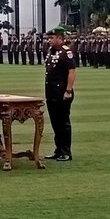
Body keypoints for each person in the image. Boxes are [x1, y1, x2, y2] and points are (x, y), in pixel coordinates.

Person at [44, 26, 76, 162]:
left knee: (63, 123)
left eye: (51, 38)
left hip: (62, 92)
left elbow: (72, 72)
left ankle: (66, 152)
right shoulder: (51, 51)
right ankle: (58, 150)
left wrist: (68, 90)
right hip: (51, 92)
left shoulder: (66, 52)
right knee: (55, 123)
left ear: (60, 38)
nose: (49, 41)